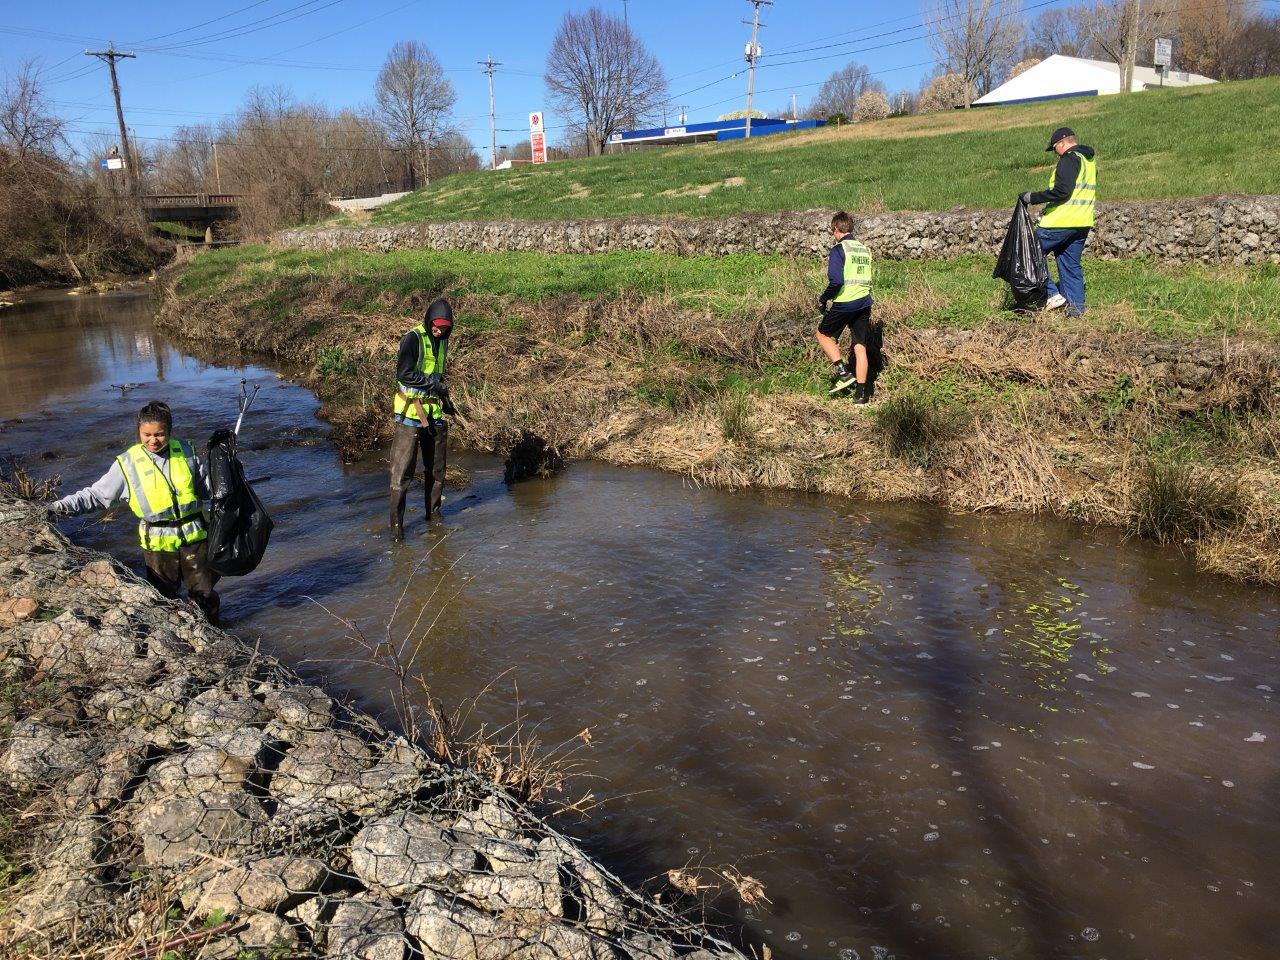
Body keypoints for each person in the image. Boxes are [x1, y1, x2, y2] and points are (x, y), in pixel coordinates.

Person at [47, 400, 220, 624]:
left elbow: (207, 489)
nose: (153, 440)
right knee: (165, 601)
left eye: (159, 434)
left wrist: (225, 475)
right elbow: (97, 495)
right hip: (158, 547)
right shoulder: (127, 464)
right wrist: (60, 507)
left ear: (169, 431)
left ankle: (214, 635)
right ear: (138, 432)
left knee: (205, 596)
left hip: (196, 539)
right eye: (146, 435)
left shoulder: (186, 452)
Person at [390, 297, 458, 541]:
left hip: (434, 415)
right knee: (402, 476)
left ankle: (434, 518)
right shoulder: (413, 338)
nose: (439, 331)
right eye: (436, 326)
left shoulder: (443, 342)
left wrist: (445, 398)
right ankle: (397, 530)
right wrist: (434, 385)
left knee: (437, 470)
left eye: (444, 328)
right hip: (409, 415)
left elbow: (437, 375)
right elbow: (404, 374)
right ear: (429, 321)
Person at [1021, 126, 1097, 317]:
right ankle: (1076, 312)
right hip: (1082, 223)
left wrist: (1032, 197)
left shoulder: (1069, 159)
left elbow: (1062, 191)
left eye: (1054, 148)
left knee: (1027, 252)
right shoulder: (1088, 161)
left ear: (1062, 143)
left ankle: (1051, 295)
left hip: (1060, 222)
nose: (1055, 153)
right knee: (1070, 265)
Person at [817, 211, 875, 404]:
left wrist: (824, 299)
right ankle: (861, 395)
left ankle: (843, 373)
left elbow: (836, 281)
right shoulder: (864, 249)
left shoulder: (838, 249)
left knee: (823, 335)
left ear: (835, 229)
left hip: (845, 302)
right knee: (860, 346)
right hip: (865, 302)